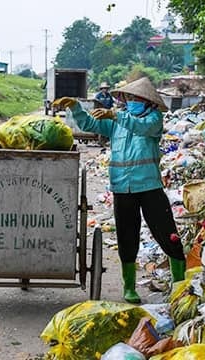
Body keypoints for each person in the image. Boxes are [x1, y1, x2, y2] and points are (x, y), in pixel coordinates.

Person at [52, 77, 185, 303]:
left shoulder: (154, 119)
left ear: (146, 101)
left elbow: (142, 128)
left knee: (166, 232)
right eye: (128, 98)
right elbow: (89, 125)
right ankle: (129, 287)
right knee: (126, 236)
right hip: (122, 187)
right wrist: (74, 106)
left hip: (149, 186)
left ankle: (180, 284)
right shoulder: (116, 122)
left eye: (134, 98)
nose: (129, 101)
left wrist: (117, 115)